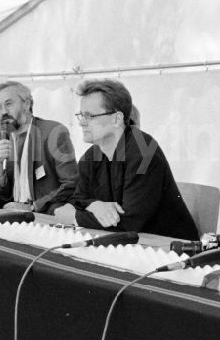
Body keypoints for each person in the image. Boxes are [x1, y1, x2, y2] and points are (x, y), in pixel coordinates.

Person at [54, 79, 197, 240]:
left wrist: (74, 217)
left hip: (169, 250)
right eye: (81, 115)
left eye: (89, 116)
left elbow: (129, 223)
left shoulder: (144, 151)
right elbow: (77, 199)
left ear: (116, 119)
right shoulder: (90, 157)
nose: (81, 123)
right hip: (127, 245)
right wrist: (95, 205)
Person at [0, 80, 77, 214]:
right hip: (12, 215)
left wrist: (33, 207)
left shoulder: (54, 132)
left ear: (27, 104)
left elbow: (72, 184)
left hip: (47, 216)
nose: (3, 111)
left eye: (9, 104)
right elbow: (1, 197)